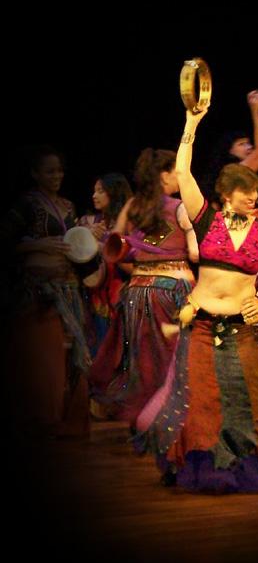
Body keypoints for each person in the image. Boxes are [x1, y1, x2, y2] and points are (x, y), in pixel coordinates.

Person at [132, 109, 258, 494]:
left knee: (250, 403)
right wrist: (192, 123)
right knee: (199, 402)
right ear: (227, 194)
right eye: (247, 193)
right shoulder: (205, 218)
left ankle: (247, 466)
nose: (255, 198)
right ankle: (199, 465)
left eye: (256, 192)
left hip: (244, 331)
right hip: (204, 326)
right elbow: (184, 169)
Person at [89, 149, 198, 426]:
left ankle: (144, 412)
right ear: (163, 176)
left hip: (137, 291)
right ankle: (170, 414)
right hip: (174, 290)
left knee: (144, 356)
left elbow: (113, 247)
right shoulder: (179, 207)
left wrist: (140, 266)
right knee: (175, 353)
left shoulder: (133, 206)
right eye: (175, 172)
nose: (179, 177)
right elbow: (196, 254)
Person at [1, 145, 90, 438]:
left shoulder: (68, 206)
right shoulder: (27, 203)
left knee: (73, 354)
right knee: (44, 356)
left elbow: (75, 245)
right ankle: (41, 420)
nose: (57, 176)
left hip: (68, 286)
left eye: (60, 170)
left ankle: (67, 419)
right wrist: (40, 244)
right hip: (39, 289)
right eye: (50, 171)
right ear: (35, 174)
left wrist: (90, 239)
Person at [78, 172, 133, 355]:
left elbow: (135, 262)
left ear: (114, 193)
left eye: (100, 191)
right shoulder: (89, 222)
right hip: (95, 294)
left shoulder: (130, 224)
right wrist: (87, 238)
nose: (94, 196)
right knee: (98, 347)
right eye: (94, 191)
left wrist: (103, 246)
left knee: (119, 350)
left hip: (121, 292)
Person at [201, 90, 258, 209]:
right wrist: (255, 109)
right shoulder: (233, 172)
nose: (249, 147)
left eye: (249, 143)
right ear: (229, 151)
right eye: (241, 144)